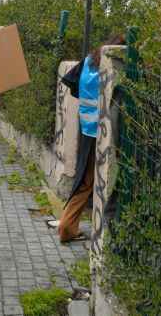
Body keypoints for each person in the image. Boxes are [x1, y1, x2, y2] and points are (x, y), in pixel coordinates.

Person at [52, 35, 125, 243]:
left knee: (83, 178)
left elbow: (70, 82)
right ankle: (67, 228)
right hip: (101, 133)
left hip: (86, 130)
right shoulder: (109, 67)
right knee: (86, 182)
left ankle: (69, 226)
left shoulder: (87, 62)